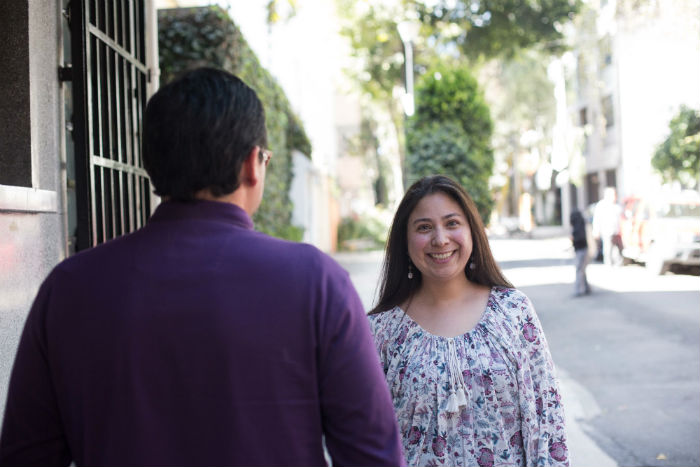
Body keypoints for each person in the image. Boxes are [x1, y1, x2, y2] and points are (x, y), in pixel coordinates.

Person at [0, 68, 404, 467]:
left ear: (153, 164)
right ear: (252, 163)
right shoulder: (316, 282)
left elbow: (25, 454)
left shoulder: (70, 287)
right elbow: (372, 455)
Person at [368, 175, 568, 466]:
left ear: (472, 230)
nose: (440, 239)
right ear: (405, 240)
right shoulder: (381, 331)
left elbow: (547, 421)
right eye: (424, 227)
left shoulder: (513, 312)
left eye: (452, 223)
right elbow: (366, 437)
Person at [592, 187, 623, 266]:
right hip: (607, 231)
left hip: (617, 232)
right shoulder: (602, 205)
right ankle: (608, 265)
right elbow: (597, 219)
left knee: (617, 251)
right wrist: (596, 230)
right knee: (608, 250)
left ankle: (617, 265)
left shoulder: (617, 206)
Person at [570, 210, 591, 297]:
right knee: (582, 269)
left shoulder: (578, 227)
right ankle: (586, 288)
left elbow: (579, 238)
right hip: (583, 249)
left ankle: (579, 289)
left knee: (579, 269)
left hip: (581, 250)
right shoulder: (581, 224)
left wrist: (573, 239)